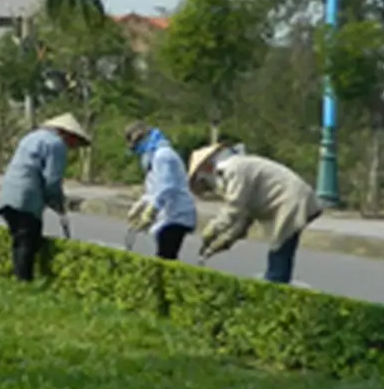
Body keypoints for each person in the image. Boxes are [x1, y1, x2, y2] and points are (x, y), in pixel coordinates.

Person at [188, 142, 323, 284]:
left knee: (279, 252)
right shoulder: (231, 173)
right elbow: (242, 220)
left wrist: (211, 230)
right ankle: (277, 285)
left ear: (206, 168)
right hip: (287, 203)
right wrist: (221, 243)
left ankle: (276, 290)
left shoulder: (234, 169)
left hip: (292, 201)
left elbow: (234, 209)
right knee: (279, 250)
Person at [0, 113, 91, 280]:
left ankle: (20, 278)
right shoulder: (56, 145)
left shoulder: (32, 137)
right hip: (26, 198)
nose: (73, 146)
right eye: (74, 141)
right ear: (67, 134)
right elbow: (52, 180)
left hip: (9, 195)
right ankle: (23, 282)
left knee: (21, 239)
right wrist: (58, 202)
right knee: (27, 241)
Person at [123, 121, 199, 261]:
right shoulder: (154, 156)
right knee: (165, 256)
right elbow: (154, 189)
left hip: (176, 214)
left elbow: (167, 186)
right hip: (168, 215)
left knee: (165, 257)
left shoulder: (163, 156)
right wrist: (141, 204)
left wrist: (152, 210)